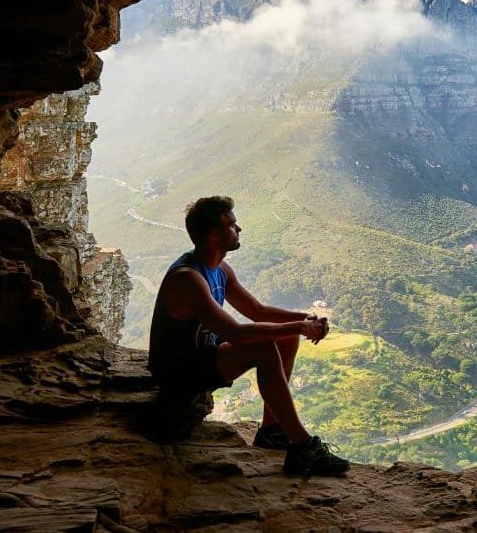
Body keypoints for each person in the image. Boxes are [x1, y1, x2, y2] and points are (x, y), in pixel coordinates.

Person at [148, 195, 350, 476]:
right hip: (179, 371)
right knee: (264, 349)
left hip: (202, 356)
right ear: (214, 235)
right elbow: (237, 333)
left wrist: (303, 320)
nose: (239, 229)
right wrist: (300, 328)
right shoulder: (188, 278)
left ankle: (272, 431)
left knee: (285, 338)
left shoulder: (219, 269)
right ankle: (302, 447)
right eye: (232, 225)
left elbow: (256, 310)